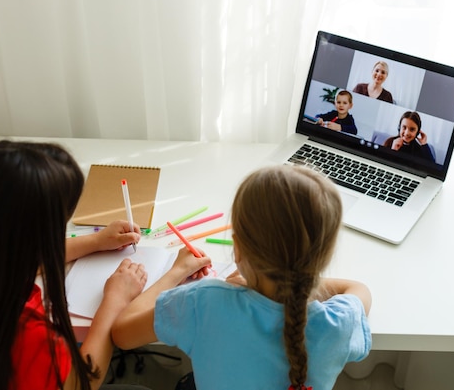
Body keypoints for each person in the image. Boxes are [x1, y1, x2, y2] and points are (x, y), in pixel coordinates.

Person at [112, 165, 372, 390]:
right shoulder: (339, 325)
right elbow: (358, 289)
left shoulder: (203, 302)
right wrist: (292, 279)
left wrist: (175, 272)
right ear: (324, 257)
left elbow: (122, 334)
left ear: (238, 249)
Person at [0, 139, 154, 390]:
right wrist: (114, 302)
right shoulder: (31, 338)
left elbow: (22, 261)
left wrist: (96, 241)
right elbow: (83, 381)